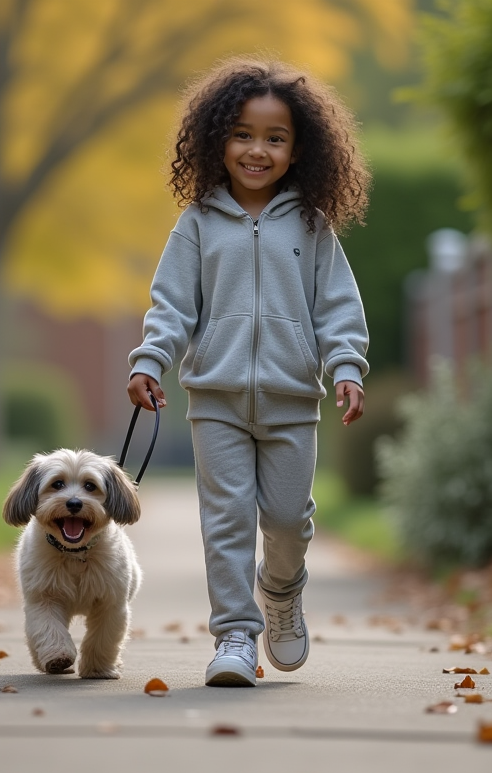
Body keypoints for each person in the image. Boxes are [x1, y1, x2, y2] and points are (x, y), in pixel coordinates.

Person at [127, 57, 371, 687]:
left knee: (288, 520)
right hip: (216, 397)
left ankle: (282, 591)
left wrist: (346, 365)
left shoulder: (312, 227)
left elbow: (337, 306)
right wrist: (151, 360)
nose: (256, 149)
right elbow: (173, 306)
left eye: (274, 137)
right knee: (227, 518)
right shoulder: (198, 224)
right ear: (216, 140)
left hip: (293, 398)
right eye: (241, 134)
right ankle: (234, 636)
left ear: (299, 150)